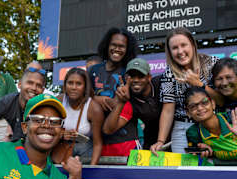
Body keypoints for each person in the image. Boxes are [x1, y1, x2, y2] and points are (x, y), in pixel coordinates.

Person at [151, 27, 222, 154]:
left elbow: (222, 100)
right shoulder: (169, 74)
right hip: (183, 128)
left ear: (193, 45)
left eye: (184, 45)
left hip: (213, 125)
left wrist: (199, 84)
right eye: (175, 48)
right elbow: (168, 110)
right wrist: (160, 141)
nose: (180, 51)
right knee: (185, 171)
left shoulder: (212, 63)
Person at [88, 27, 139, 156]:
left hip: (125, 141)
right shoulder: (94, 70)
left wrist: (110, 101)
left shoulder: (130, 71)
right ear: (107, 46)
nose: (117, 49)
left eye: (122, 46)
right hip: (98, 142)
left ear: (127, 49)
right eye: (113, 45)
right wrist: (95, 99)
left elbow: (123, 104)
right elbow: (84, 97)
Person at [103, 58, 166, 150]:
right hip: (152, 144)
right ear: (126, 78)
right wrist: (121, 102)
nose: (136, 80)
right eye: (132, 76)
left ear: (149, 77)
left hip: (176, 137)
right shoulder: (128, 97)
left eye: (140, 76)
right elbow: (108, 129)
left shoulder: (161, 83)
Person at [58, 68, 104, 165]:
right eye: (70, 83)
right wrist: (61, 134)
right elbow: (47, 128)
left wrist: (92, 169)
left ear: (85, 87)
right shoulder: (59, 100)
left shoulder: (94, 108)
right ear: (65, 85)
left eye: (78, 84)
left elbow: (97, 144)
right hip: (60, 149)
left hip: (85, 153)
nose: (74, 87)